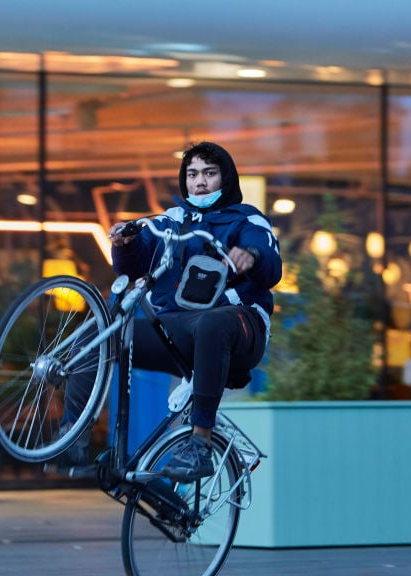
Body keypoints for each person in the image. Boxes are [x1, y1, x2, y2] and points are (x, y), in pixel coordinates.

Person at [106, 141, 282, 481]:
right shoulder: (172, 221)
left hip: (240, 326)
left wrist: (252, 256)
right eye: (192, 174)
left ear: (226, 179)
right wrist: (125, 246)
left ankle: (200, 444)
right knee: (109, 333)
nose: (199, 182)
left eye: (209, 174)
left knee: (212, 323)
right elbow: (135, 263)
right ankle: (75, 436)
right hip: (177, 329)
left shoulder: (248, 219)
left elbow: (269, 260)